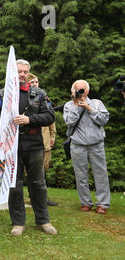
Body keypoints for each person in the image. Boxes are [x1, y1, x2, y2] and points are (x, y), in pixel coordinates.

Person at [0, 59, 57, 236]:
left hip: (34, 145)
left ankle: (44, 221)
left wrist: (29, 120)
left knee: (38, 184)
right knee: (14, 185)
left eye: (25, 72)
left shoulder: (39, 93)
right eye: (19, 71)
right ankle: (18, 222)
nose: (22, 75)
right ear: (12, 72)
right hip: (11, 147)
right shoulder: (1, 95)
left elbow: (50, 115)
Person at [63, 80, 110, 214]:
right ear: (72, 91)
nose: (80, 93)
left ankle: (102, 204)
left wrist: (89, 109)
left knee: (101, 175)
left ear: (87, 91)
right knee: (80, 175)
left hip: (96, 145)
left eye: (82, 90)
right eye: (77, 90)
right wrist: (77, 106)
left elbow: (103, 120)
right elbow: (69, 122)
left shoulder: (96, 103)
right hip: (78, 145)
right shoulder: (68, 106)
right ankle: (85, 202)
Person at [27, 73, 58, 206]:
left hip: (45, 143)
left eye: (37, 82)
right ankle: (33, 197)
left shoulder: (43, 97)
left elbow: (51, 120)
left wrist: (52, 136)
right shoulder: (25, 100)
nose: (35, 84)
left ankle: (42, 198)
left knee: (43, 172)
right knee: (31, 173)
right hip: (30, 142)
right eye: (32, 82)